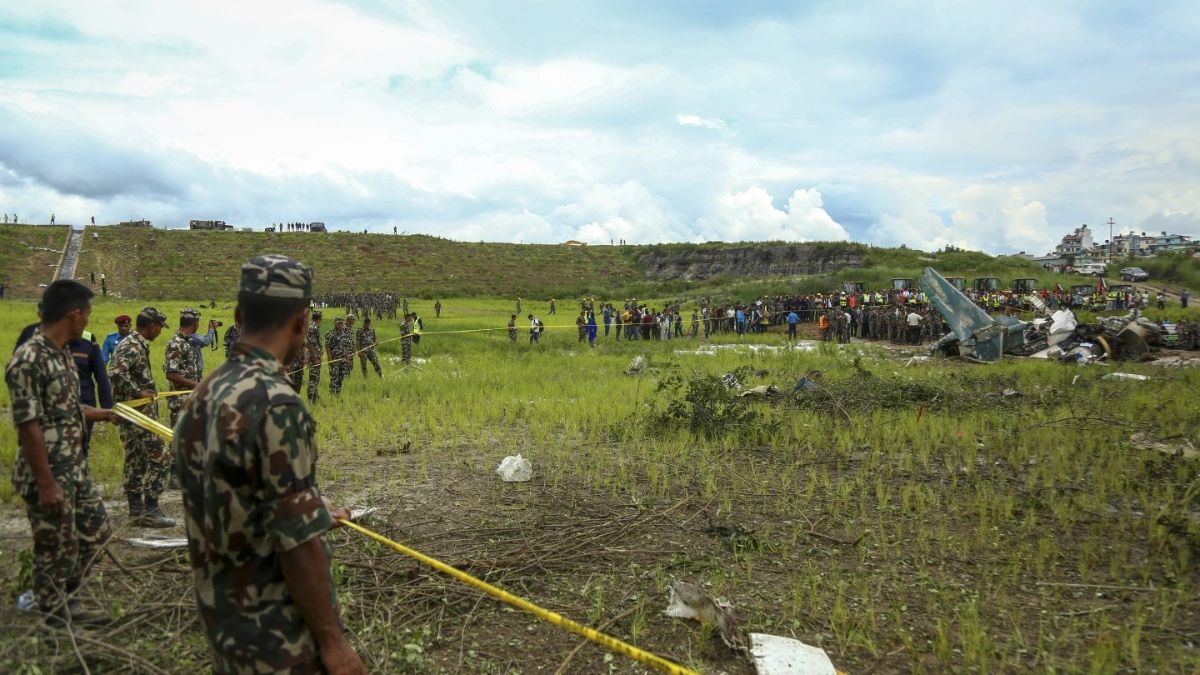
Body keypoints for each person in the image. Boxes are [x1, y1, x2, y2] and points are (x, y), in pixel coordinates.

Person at [173, 255, 364, 674]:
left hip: (223, 623)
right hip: (276, 638)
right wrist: (334, 644)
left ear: (239, 316)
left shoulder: (205, 393)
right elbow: (297, 546)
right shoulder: (276, 403)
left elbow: (234, 497)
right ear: (301, 321)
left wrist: (310, 508)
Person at [7, 280, 119, 626]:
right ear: (74, 314)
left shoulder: (62, 355)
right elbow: (28, 425)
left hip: (74, 468)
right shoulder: (29, 359)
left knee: (96, 533)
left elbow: (69, 409)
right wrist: (46, 483)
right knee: (55, 547)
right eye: (86, 314)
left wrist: (107, 414)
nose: (87, 320)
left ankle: (68, 596)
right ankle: (55, 618)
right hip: (48, 474)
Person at [108, 307, 174, 527]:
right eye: (159, 328)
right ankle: (151, 508)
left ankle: (136, 511)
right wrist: (138, 392)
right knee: (162, 458)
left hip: (135, 414)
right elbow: (116, 372)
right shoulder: (133, 345)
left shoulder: (133, 344)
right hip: (137, 415)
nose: (159, 332)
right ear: (152, 326)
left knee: (136, 459)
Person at [70, 329, 112, 458]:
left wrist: (107, 408)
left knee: (82, 443)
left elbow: (102, 377)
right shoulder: (53, 344)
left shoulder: (89, 347)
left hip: (85, 401)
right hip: (58, 403)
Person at [164, 309, 204, 429]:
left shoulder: (187, 341)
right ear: (195, 324)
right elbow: (171, 374)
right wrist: (198, 385)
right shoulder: (176, 343)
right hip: (181, 402)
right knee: (178, 441)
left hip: (191, 399)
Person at [325, 317, 350, 395]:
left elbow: (345, 346)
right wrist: (330, 359)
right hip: (335, 360)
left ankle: (338, 394)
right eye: (339, 323)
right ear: (335, 323)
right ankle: (332, 394)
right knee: (334, 378)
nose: (340, 325)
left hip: (343, 359)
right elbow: (327, 347)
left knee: (341, 378)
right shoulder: (330, 334)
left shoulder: (343, 333)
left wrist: (347, 358)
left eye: (341, 323)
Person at [305, 311, 323, 404]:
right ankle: (310, 398)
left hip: (316, 356)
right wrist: (315, 357)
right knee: (313, 378)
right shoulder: (313, 328)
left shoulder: (314, 327)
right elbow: (310, 344)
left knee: (316, 378)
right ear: (319, 319)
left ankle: (315, 396)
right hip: (314, 357)